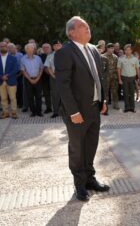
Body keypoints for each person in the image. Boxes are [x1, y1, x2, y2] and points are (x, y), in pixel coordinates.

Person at [55, 16, 109, 202]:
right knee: (77, 148)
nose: (88, 29)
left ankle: (89, 178)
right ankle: (79, 184)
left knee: (91, 145)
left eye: (87, 25)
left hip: (94, 108)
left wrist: (103, 100)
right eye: (83, 26)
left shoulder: (93, 49)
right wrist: (73, 112)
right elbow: (63, 86)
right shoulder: (65, 52)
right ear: (72, 32)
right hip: (77, 112)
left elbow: (99, 78)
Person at [20, 43, 44, 117]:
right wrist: (30, 79)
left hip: (38, 79)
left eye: (32, 49)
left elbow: (41, 68)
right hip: (28, 80)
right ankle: (33, 111)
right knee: (30, 96)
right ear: (26, 50)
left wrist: (37, 78)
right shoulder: (23, 59)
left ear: (34, 50)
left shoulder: (38, 58)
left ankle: (39, 111)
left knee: (38, 96)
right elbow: (23, 71)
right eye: (29, 49)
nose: (31, 50)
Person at [118, 44, 140, 113]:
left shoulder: (135, 59)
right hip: (124, 78)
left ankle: (132, 107)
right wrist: (119, 79)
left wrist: (139, 78)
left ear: (131, 51)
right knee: (125, 93)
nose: (127, 51)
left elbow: (138, 69)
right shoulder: (121, 59)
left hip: (132, 78)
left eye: (129, 50)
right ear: (124, 51)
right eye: (126, 50)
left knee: (132, 93)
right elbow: (119, 69)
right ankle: (127, 107)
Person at [0, 42, 19, 119]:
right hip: (0, 81)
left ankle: (14, 112)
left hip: (11, 80)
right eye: (1, 46)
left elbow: (16, 69)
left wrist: (7, 75)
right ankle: (5, 112)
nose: (2, 47)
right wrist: (1, 76)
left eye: (4, 46)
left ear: (7, 48)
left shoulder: (13, 58)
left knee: (12, 98)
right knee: (3, 98)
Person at [44, 40, 63, 118]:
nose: (57, 46)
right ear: (53, 47)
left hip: (65, 77)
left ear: (61, 45)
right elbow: (48, 67)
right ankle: (56, 112)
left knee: (65, 94)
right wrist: (53, 75)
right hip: (54, 77)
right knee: (55, 95)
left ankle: (65, 112)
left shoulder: (67, 54)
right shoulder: (50, 55)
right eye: (55, 45)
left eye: (58, 45)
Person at [101, 43, 120, 113]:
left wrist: (118, 77)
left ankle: (116, 104)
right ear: (107, 49)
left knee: (115, 91)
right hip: (106, 77)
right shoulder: (103, 57)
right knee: (105, 92)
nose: (112, 49)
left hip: (114, 77)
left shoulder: (115, 57)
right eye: (110, 48)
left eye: (112, 48)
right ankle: (105, 105)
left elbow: (117, 67)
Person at [8, 43, 24, 108]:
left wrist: (20, 74)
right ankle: (14, 102)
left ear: (15, 48)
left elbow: (22, 65)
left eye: (12, 48)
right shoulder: (7, 56)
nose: (11, 49)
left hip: (19, 73)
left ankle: (20, 103)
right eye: (9, 48)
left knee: (20, 89)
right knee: (12, 89)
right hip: (10, 75)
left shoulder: (20, 55)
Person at [40, 43, 53, 114]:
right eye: (44, 48)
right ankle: (48, 108)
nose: (45, 49)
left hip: (54, 77)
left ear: (50, 48)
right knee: (46, 93)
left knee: (55, 93)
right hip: (44, 78)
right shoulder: (40, 56)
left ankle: (57, 107)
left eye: (47, 47)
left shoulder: (55, 54)